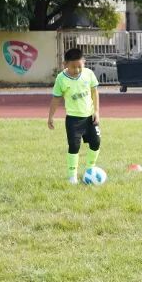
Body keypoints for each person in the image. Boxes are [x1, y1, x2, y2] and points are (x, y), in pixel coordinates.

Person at [48, 48, 101, 183]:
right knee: (74, 146)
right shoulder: (61, 79)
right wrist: (51, 116)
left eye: (79, 66)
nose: (77, 70)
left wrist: (96, 112)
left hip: (90, 117)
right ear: (65, 64)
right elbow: (56, 98)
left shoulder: (88, 74)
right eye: (73, 67)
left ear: (84, 62)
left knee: (96, 142)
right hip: (73, 119)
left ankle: (90, 170)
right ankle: (72, 176)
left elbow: (95, 92)